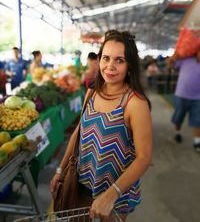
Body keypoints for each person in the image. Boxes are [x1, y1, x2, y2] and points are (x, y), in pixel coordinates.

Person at [50, 30, 152, 221]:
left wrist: (111, 194)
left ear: (130, 65)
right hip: (83, 185)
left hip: (116, 196)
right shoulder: (92, 93)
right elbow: (77, 134)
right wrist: (60, 170)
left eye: (119, 60)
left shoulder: (135, 104)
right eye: (106, 58)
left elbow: (144, 157)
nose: (110, 66)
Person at [167, 48, 200, 152]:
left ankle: (197, 141)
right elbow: (170, 64)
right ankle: (178, 133)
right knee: (179, 117)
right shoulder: (186, 59)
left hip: (198, 97)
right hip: (182, 94)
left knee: (198, 120)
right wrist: (174, 55)